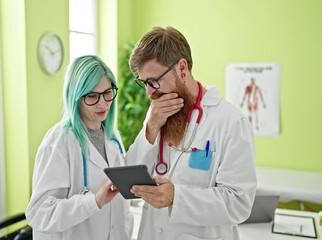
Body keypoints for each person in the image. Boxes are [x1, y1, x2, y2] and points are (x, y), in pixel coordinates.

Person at [126, 26, 257, 240]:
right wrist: (150, 127)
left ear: (182, 68)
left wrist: (177, 198)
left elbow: (238, 204)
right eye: (144, 83)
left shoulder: (230, 122)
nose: (149, 91)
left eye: (153, 81)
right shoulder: (157, 112)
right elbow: (130, 174)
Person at [26, 55, 133, 240]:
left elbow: (122, 209)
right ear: (75, 96)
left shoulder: (112, 137)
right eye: (92, 96)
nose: (103, 103)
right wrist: (93, 201)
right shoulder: (59, 141)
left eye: (108, 92)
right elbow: (39, 213)